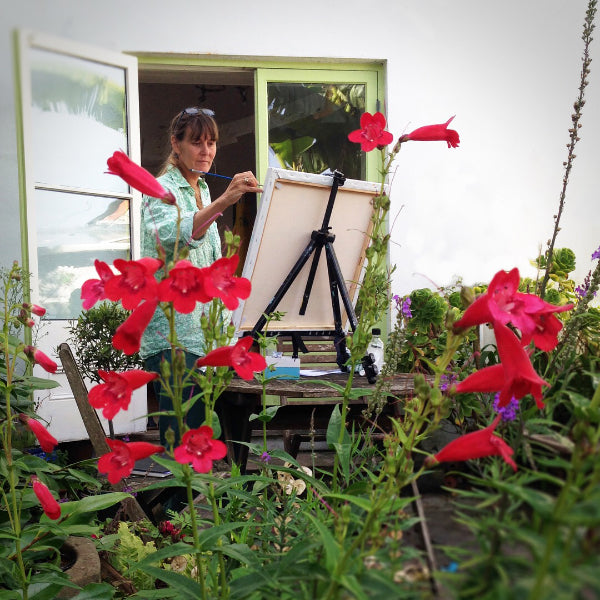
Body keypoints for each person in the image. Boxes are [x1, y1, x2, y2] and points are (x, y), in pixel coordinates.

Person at [140, 107, 261, 449]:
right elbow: (174, 235)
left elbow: (210, 266)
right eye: (197, 142)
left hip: (207, 337)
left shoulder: (203, 191)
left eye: (212, 143)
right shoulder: (160, 189)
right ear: (175, 145)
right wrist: (227, 199)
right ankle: (174, 505)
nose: (206, 151)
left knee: (216, 438)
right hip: (173, 337)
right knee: (182, 444)